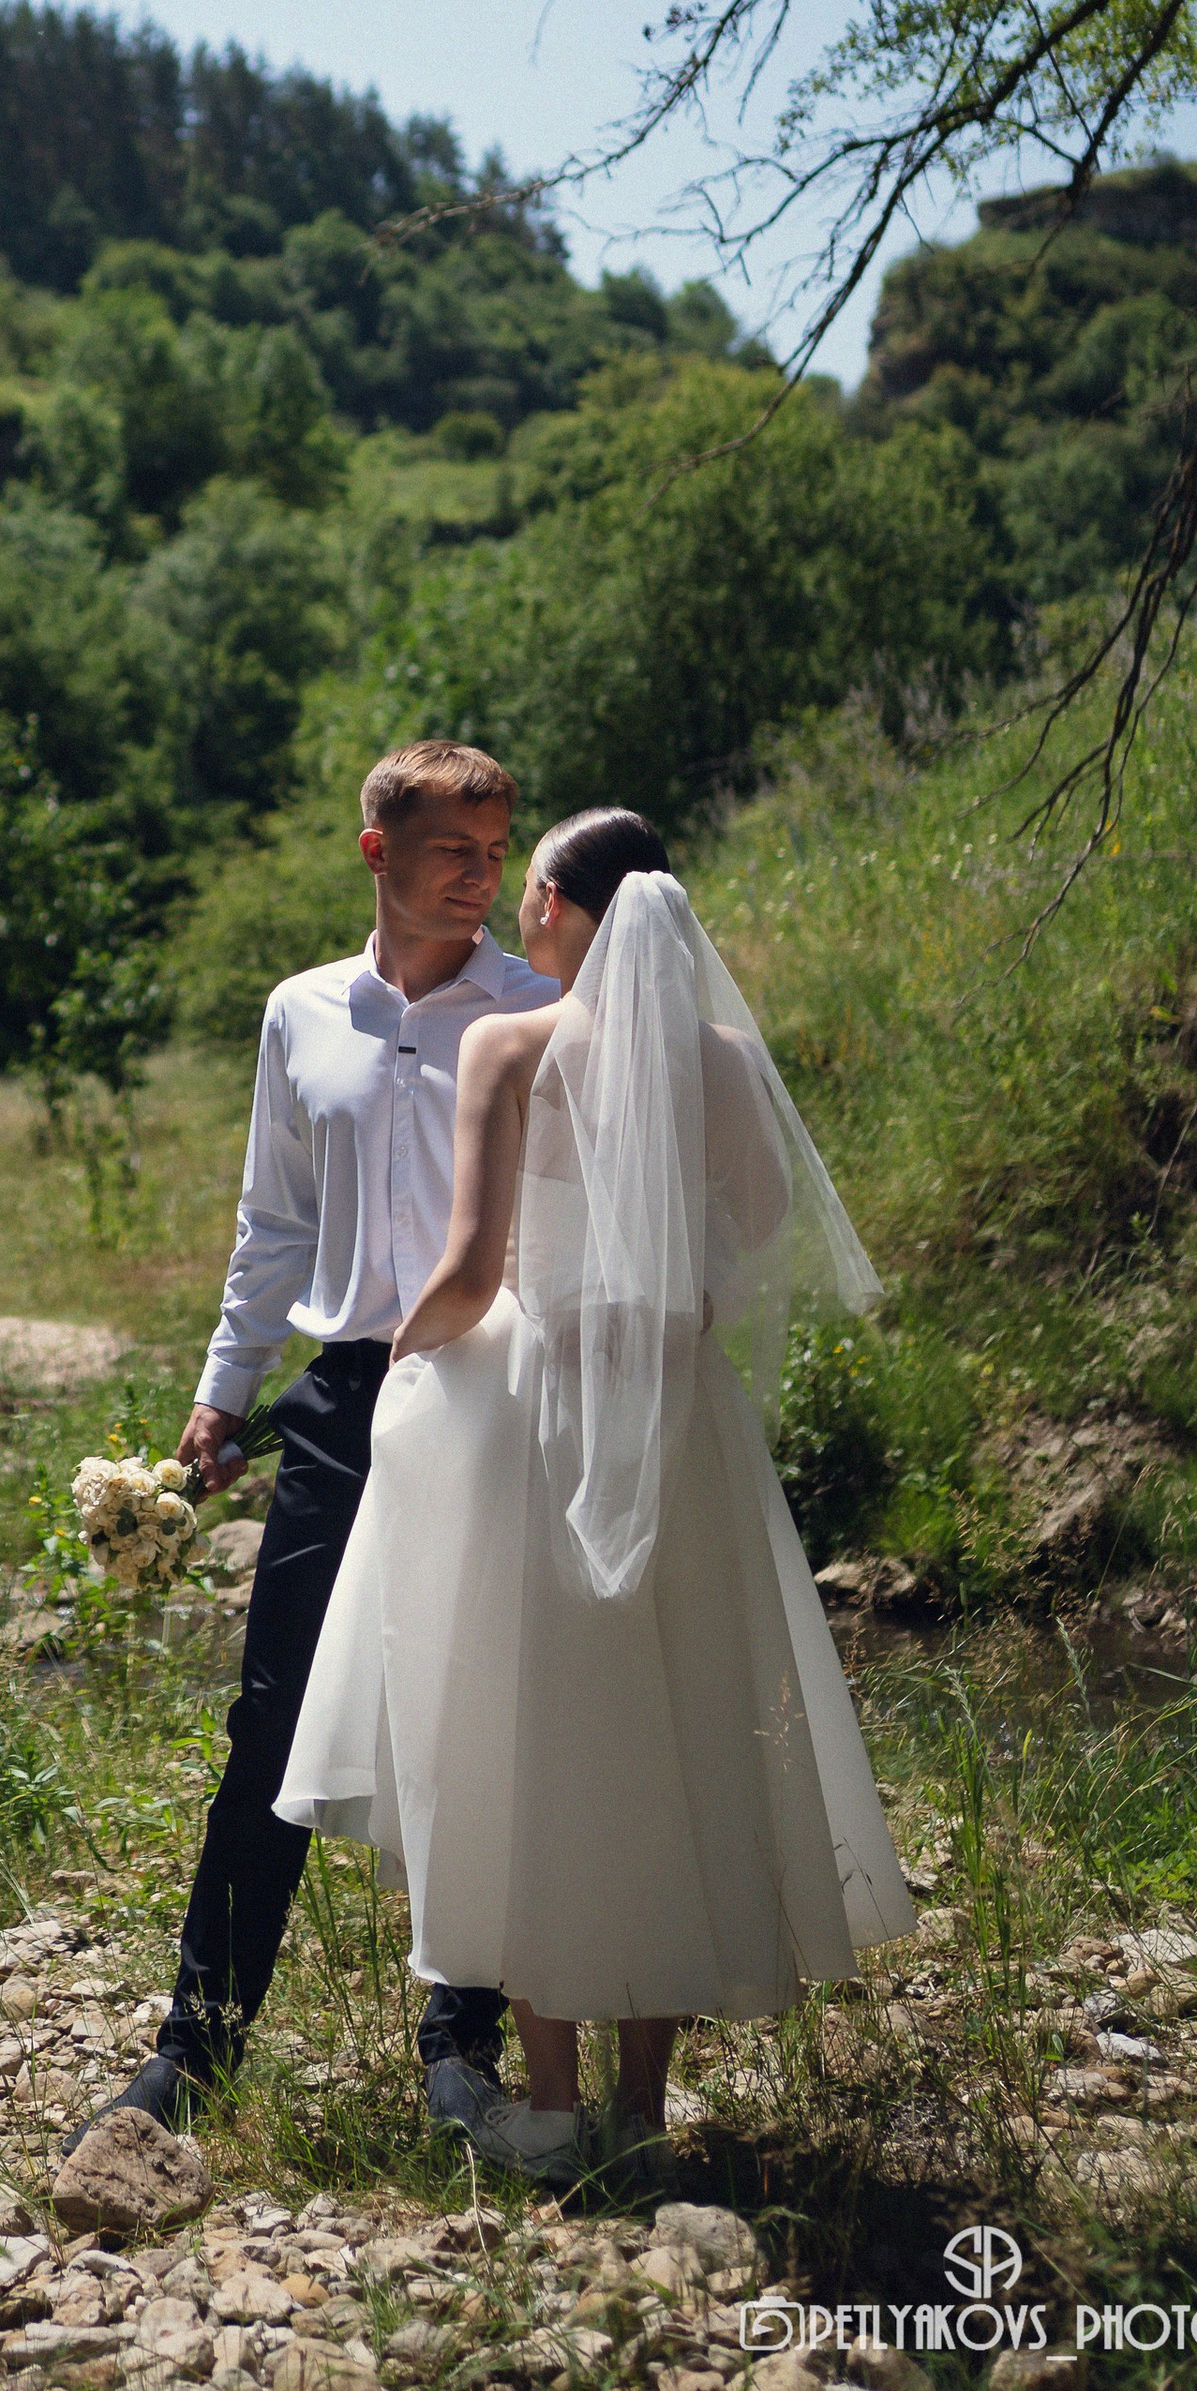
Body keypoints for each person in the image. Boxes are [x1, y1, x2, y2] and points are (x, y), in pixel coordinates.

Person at [275, 807, 918, 2184]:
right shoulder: (724, 1059)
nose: (520, 912)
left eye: (533, 893)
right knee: (668, 1732)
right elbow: (758, 1226)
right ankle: (644, 2106)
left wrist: (402, 1359)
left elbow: (468, 1271)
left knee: (533, 1742)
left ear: (565, 911)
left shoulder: (512, 1046)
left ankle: (555, 2109)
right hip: (679, 1416)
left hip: (537, 1411)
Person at [81, 739, 559, 2141]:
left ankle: (462, 2045)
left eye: (496, 852)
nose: (479, 877)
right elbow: (274, 1220)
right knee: (272, 1717)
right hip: (344, 1401)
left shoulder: (536, 1010)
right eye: (452, 849)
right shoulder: (301, 1013)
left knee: (479, 1716)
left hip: (493, 1389)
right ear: (376, 851)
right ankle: (196, 2048)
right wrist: (224, 1391)